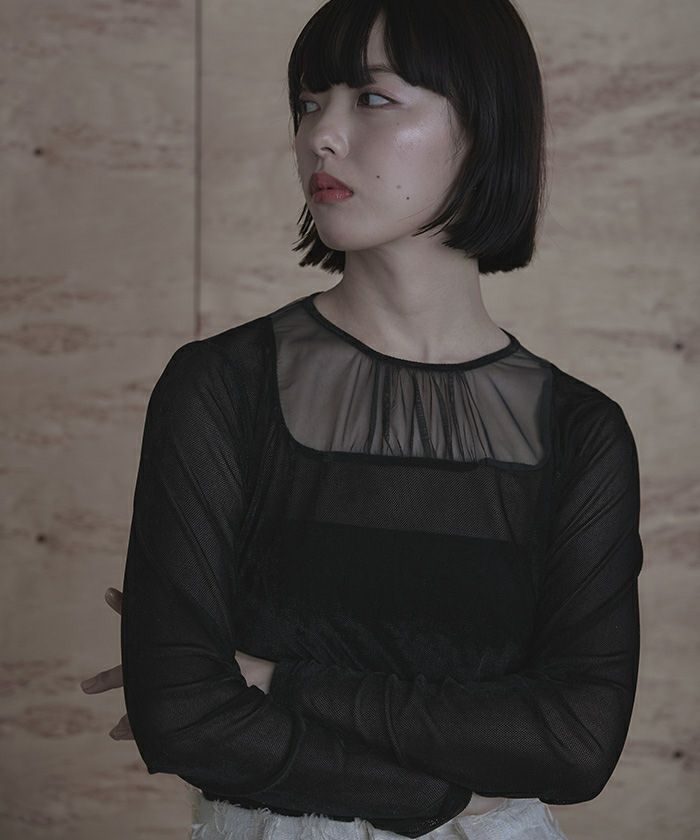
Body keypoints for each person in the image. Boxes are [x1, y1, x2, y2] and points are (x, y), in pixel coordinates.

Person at [81, 1, 643, 838]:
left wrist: (278, 682)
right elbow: (185, 715)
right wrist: (449, 801)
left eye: (373, 98)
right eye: (309, 103)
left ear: (485, 126)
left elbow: (574, 743)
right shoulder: (222, 387)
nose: (321, 136)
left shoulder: (580, 432)